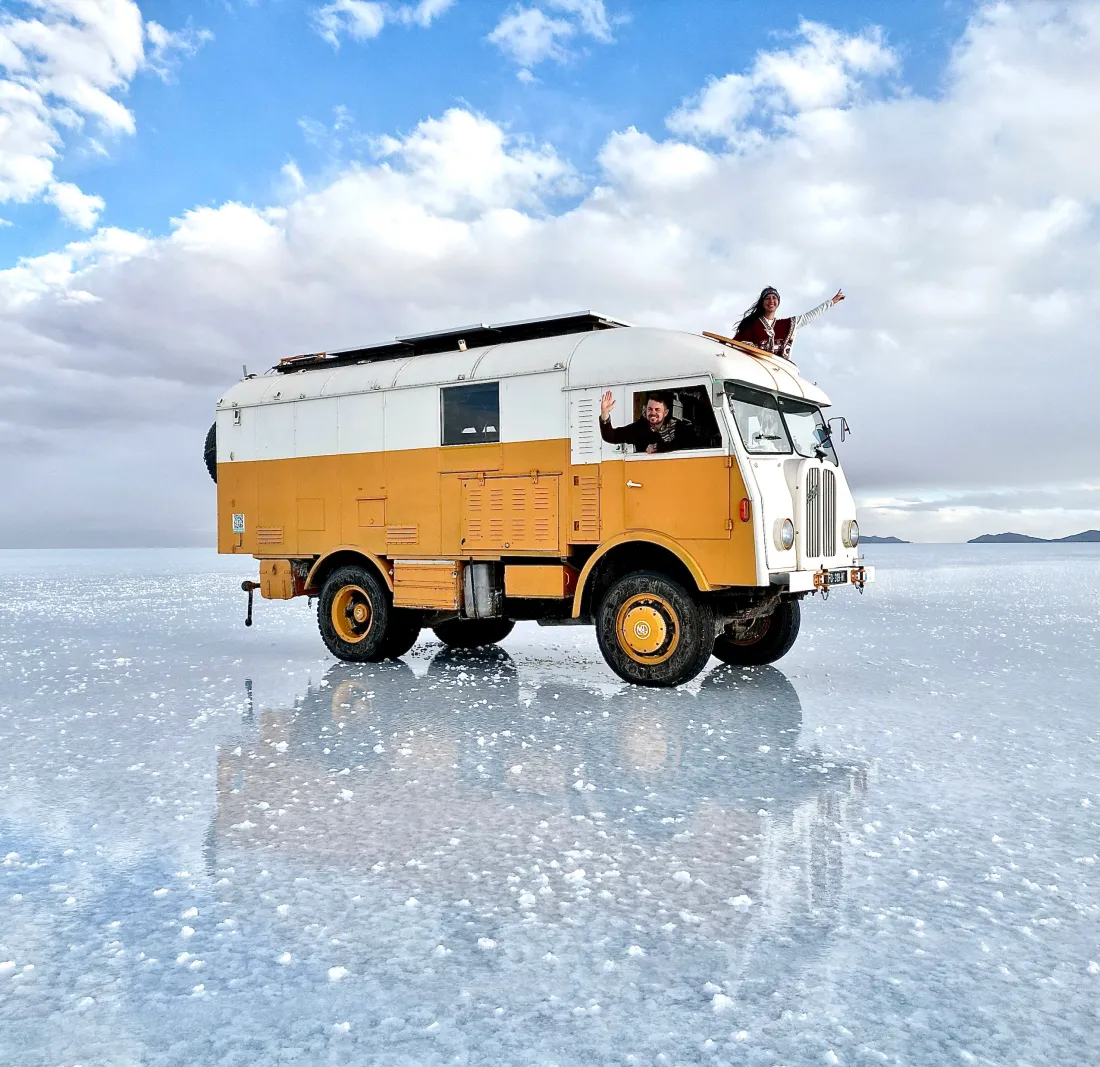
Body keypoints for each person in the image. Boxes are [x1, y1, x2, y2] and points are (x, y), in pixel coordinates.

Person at [734, 286, 844, 360]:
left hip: (780, 370)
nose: (771, 301)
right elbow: (735, 345)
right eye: (767, 298)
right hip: (757, 369)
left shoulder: (788, 324)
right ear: (762, 303)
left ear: (778, 302)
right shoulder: (752, 324)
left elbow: (810, 316)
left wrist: (831, 302)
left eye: (774, 298)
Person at [599, 391, 699, 453]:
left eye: (657, 410)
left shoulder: (676, 426)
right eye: (650, 409)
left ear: (666, 412)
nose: (653, 413)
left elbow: (693, 443)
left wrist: (658, 448)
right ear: (645, 410)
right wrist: (605, 414)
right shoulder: (638, 428)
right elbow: (610, 436)